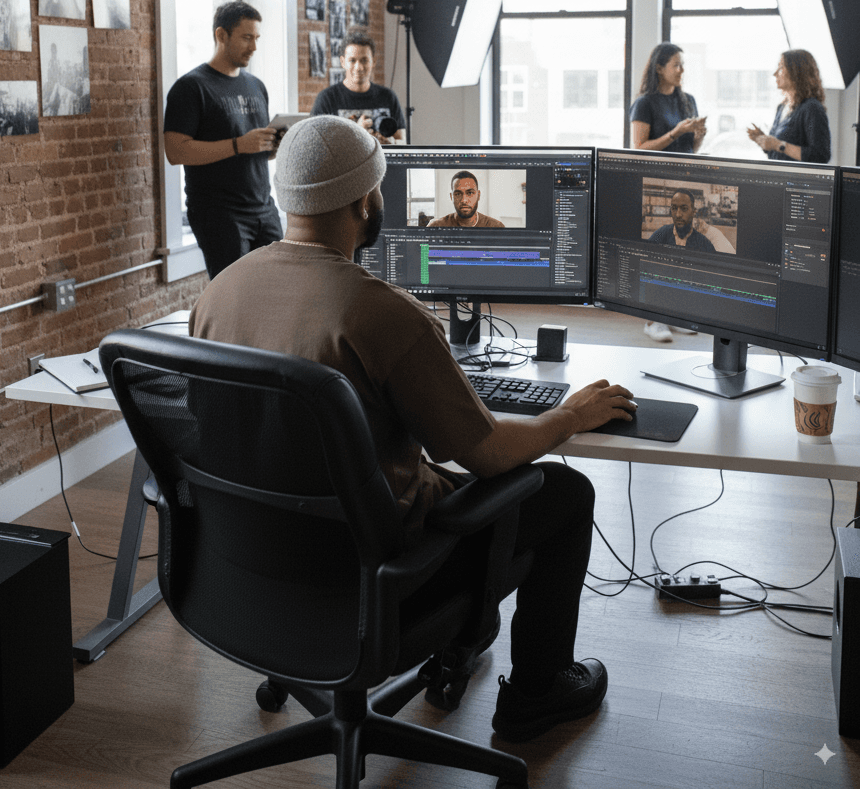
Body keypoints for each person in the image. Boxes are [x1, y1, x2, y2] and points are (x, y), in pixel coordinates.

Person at [190, 116, 637, 744]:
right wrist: (569, 416)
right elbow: (488, 454)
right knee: (564, 493)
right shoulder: (382, 312)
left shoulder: (218, 293)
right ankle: (536, 694)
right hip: (379, 573)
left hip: (253, 562)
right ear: (366, 201)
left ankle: (466, 645)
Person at [163, 1, 282, 280]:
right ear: (221, 35)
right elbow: (175, 151)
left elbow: (255, 149)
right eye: (246, 37)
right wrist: (239, 145)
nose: (253, 46)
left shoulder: (256, 86)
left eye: (256, 38)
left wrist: (271, 147)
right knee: (235, 297)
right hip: (220, 214)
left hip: (264, 208)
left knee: (277, 287)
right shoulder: (191, 87)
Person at [629, 43, 707, 341]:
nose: (681, 70)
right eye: (676, 64)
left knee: (682, 251)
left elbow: (691, 149)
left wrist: (696, 136)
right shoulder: (644, 103)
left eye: (683, 65)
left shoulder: (688, 101)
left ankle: (674, 315)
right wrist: (676, 132)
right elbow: (640, 147)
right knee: (657, 251)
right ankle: (652, 320)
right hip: (656, 184)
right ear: (659, 68)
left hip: (686, 182)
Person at [311, 30, 406, 143]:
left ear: (373, 61)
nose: (359, 67)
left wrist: (389, 142)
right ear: (343, 62)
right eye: (352, 60)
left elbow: (402, 142)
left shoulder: (388, 97)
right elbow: (315, 145)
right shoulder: (327, 99)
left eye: (364, 60)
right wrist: (357, 134)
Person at [746, 49, 831, 164]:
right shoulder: (782, 107)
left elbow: (820, 156)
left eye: (781, 68)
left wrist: (778, 145)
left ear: (796, 72)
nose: (775, 73)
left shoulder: (812, 108)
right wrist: (763, 140)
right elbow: (777, 153)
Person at [427, 171, 505, 228]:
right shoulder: (435, 226)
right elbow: (423, 250)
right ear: (451, 197)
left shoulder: (496, 227)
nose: (464, 200)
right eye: (458, 194)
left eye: (470, 193)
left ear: (478, 195)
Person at [647, 189, 717, 252]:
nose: (678, 215)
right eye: (674, 208)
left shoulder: (704, 244)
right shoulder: (660, 235)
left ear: (693, 212)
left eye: (684, 209)